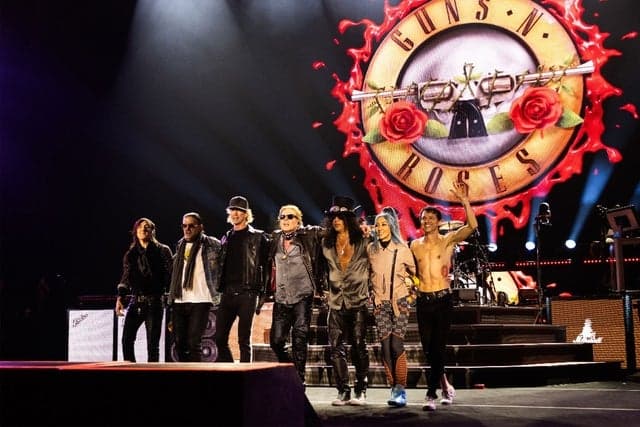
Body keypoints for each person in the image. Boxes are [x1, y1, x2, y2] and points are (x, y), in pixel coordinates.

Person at [410, 181, 478, 411]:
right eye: (423, 218)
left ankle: (431, 394)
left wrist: (464, 201)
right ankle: (445, 384)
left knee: (438, 347)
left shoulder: (448, 240)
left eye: (431, 218)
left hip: (443, 300)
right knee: (429, 349)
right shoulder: (414, 245)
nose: (426, 221)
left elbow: (472, 225)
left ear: (438, 221)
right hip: (423, 301)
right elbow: (409, 271)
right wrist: (411, 284)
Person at [266, 204, 326, 386]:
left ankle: (298, 380)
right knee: (276, 341)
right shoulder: (274, 238)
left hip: (302, 296)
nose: (285, 220)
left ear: (298, 221)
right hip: (281, 297)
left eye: (290, 216)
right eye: (282, 217)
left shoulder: (308, 236)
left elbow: (326, 232)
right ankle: (290, 368)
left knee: (300, 339)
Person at [321, 196, 371, 406]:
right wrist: (324, 289)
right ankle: (343, 390)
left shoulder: (364, 240)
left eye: (340, 217)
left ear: (349, 219)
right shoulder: (326, 243)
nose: (336, 220)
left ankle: (361, 389)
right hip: (335, 301)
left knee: (358, 345)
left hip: (357, 300)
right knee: (336, 347)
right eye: (333, 217)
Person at [367, 208, 416, 407]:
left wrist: (412, 293)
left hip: (400, 302)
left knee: (396, 344)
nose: (379, 228)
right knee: (385, 346)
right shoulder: (371, 250)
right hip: (380, 303)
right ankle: (394, 387)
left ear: (391, 226)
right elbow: (367, 274)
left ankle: (401, 388)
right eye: (377, 225)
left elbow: (415, 274)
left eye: (383, 224)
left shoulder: (402, 249)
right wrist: (371, 294)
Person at [215, 196, 270, 363]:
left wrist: (264, 293)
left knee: (243, 340)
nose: (235, 213)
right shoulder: (226, 237)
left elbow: (268, 266)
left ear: (246, 214)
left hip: (248, 293)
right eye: (232, 210)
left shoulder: (258, 237)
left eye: (239, 210)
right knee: (219, 338)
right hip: (227, 293)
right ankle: (231, 371)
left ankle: (246, 374)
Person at [116, 218, 173, 362]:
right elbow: (126, 277)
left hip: (155, 301)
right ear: (135, 231)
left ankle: (151, 373)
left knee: (153, 345)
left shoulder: (162, 250)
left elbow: (171, 276)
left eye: (147, 226)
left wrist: (171, 302)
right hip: (136, 301)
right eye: (140, 227)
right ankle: (130, 369)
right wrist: (120, 298)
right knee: (126, 340)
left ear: (152, 231)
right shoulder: (131, 254)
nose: (143, 229)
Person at [168, 212, 221, 362]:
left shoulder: (212, 244)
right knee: (179, 343)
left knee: (193, 343)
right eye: (184, 226)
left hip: (201, 300)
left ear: (200, 227)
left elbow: (224, 265)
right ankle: (185, 374)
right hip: (179, 300)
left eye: (191, 225)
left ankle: (196, 375)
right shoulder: (180, 245)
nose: (187, 229)